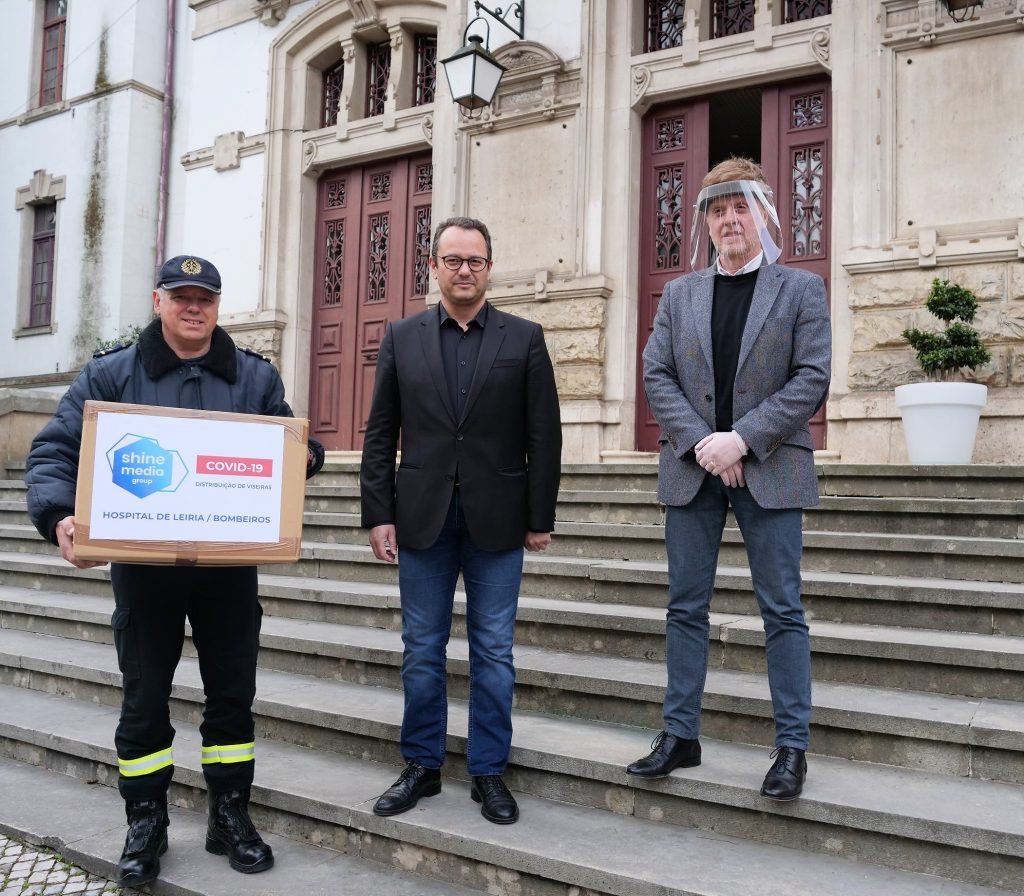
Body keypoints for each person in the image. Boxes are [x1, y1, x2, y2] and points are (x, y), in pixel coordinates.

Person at [24, 255, 325, 886]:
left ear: (218, 307)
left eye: (205, 298)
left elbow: (287, 442)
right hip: (145, 570)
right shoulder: (110, 374)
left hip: (228, 570)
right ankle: (146, 821)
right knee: (144, 701)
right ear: (158, 301)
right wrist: (58, 517)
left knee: (232, 698)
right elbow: (54, 449)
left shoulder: (255, 377)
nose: (194, 307)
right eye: (181, 296)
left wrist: (304, 454)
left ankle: (229, 816)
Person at [627, 158, 831, 801]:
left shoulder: (801, 290)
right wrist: (704, 444)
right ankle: (680, 735)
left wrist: (740, 439)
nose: (730, 219)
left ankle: (791, 747)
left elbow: (811, 377)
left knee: (783, 610)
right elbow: (656, 373)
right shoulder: (679, 294)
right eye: (718, 210)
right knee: (685, 607)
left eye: (741, 207)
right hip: (693, 471)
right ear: (706, 223)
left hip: (771, 467)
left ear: (764, 215)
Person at [360, 216, 561, 825]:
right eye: (453, 260)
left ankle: (488, 770)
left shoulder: (524, 338)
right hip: (421, 519)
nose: (464, 270)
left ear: (489, 267)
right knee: (422, 649)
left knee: (494, 651)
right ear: (434, 266)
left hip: (498, 521)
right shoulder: (403, 337)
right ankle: (421, 765)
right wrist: (378, 513)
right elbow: (380, 433)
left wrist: (540, 516)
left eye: (475, 260)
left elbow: (543, 435)